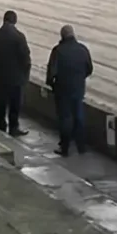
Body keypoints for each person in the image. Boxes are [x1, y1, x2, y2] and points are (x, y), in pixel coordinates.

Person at [45, 23, 94, 157]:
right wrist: (80, 79)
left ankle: (65, 148)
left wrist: (52, 85)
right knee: (79, 116)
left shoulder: (58, 51)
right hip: (78, 89)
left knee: (65, 118)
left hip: (62, 90)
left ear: (62, 36)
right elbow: (89, 69)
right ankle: (81, 147)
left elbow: (51, 73)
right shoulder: (83, 49)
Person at [0, 10, 32, 135]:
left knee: (1, 101)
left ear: (4, 20)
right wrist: (25, 74)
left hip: (0, 75)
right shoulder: (19, 37)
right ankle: (13, 127)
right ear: (15, 21)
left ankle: (1, 126)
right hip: (16, 78)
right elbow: (26, 59)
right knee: (15, 103)